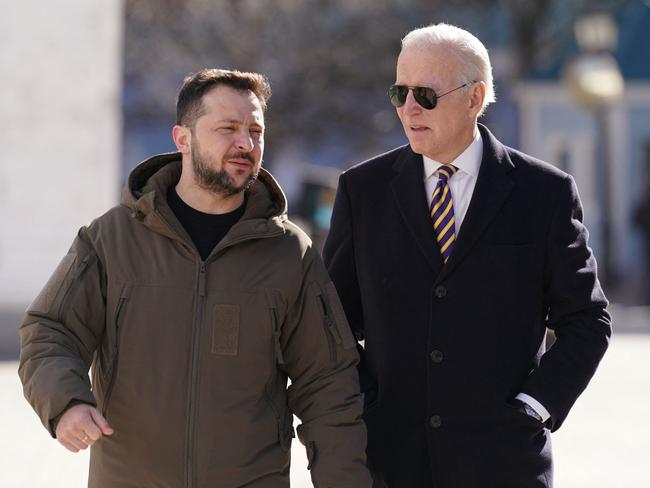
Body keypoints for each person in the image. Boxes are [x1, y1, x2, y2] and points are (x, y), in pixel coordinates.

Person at [19, 68, 372, 488]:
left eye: (255, 131)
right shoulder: (112, 239)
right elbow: (50, 330)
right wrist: (66, 403)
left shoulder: (289, 254)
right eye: (228, 128)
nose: (246, 143)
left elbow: (328, 384)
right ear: (182, 139)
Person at [323, 23, 611, 488]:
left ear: (475, 97)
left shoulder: (545, 194)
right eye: (400, 92)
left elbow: (587, 319)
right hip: (391, 462)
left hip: (504, 463)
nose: (409, 108)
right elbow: (330, 323)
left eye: (425, 94)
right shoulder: (362, 191)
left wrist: (536, 406)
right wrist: (366, 402)